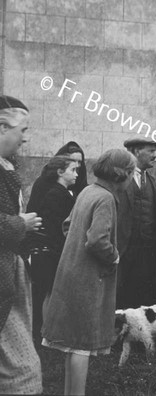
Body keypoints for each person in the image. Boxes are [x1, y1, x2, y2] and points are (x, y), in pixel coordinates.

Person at [42, 149, 135, 396]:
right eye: (131, 173)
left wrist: (75, 248)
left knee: (72, 344)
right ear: (121, 175)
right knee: (82, 344)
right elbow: (96, 241)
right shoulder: (106, 198)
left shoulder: (87, 191)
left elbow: (67, 226)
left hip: (70, 274)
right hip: (88, 279)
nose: (132, 178)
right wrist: (114, 256)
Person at [0, 95, 43, 395]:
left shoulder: (6, 167)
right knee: (22, 372)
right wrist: (20, 225)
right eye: (23, 130)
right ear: (2, 126)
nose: (26, 139)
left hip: (9, 275)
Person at [30, 156, 78, 343]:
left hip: (54, 250)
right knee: (50, 291)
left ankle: (48, 332)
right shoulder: (56, 194)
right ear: (60, 172)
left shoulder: (63, 192)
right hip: (51, 252)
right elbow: (54, 227)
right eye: (72, 170)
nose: (76, 174)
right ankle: (46, 333)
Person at [116, 137, 156, 310]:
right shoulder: (119, 180)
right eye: (150, 151)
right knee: (123, 302)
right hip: (125, 253)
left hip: (148, 255)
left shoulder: (151, 181)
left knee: (145, 300)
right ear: (136, 152)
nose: (155, 155)